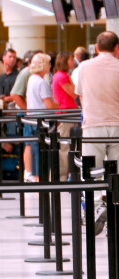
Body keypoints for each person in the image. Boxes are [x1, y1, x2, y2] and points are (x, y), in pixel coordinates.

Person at [76, 31, 119, 233]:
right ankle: (115, 210)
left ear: (97, 47)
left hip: (93, 125)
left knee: (91, 171)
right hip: (118, 125)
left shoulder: (84, 66)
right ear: (117, 48)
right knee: (117, 173)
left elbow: (81, 96)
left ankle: (94, 209)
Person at [24, 53, 58, 182]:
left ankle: (33, 175)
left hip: (31, 117)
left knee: (33, 147)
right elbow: (49, 105)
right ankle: (40, 177)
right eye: (48, 63)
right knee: (42, 149)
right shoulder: (42, 83)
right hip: (41, 120)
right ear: (43, 65)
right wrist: (59, 104)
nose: (50, 66)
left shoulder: (31, 79)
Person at [51, 51, 79, 181]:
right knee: (65, 146)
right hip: (66, 114)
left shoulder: (62, 75)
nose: (73, 62)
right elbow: (74, 93)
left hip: (68, 113)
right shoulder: (62, 76)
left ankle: (65, 175)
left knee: (67, 145)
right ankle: (62, 177)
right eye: (71, 59)